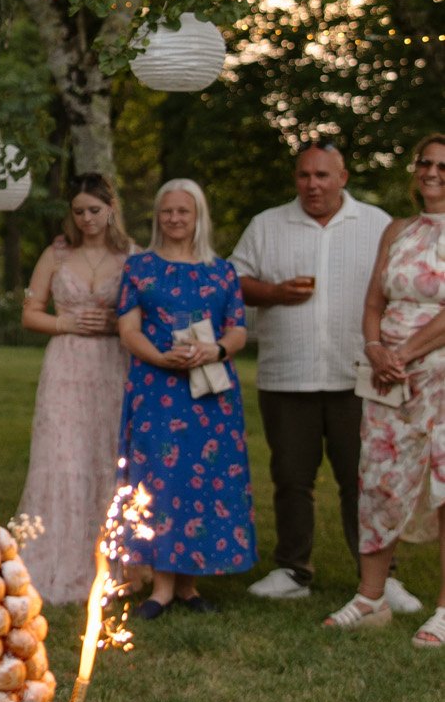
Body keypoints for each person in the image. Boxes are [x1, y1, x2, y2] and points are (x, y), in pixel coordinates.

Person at [232, 142, 417, 610]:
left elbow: (403, 290)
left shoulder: (378, 225)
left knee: (364, 481)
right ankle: (293, 568)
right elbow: (232, 282)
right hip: (286, 375)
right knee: (292, 477)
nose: (312, 185)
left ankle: (380, 577)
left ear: (343, 177)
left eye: (322, 176)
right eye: (303, 176)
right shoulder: (267, 225)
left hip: (358, 376)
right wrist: (272, 291)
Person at [324, 133, 445, 647]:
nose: (432, 172)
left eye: (443, 165)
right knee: (376, 479)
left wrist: (405, 352)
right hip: (386, 376)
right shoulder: (397, 230)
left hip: (438, 374)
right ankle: (371, 597)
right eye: (425, 162)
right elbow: (374, 299)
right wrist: (375, 348)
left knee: (444, 487)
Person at [117, 179, 257, 616]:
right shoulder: (139, 266)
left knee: (207, 480)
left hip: (211, 395)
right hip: (157, 390)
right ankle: (160, 586)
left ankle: (189, 585)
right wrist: (161, 358)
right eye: (167, 211)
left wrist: (214, 349)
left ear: (199, 217)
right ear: (157, 217)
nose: (175, 219)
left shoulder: (223, 271)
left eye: (184, 212)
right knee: (159, 481)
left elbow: (238, 329)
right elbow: (128, 329)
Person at [18, 174, 132, 603]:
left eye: (95, 210)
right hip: (65, 363)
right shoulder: (57, 252)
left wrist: (120, 323)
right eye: (79, 211)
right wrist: (65, 322)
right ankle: (56, 560)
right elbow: (31, 313)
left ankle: (112, 562)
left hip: (112, 364)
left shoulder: (131, 255)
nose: (86, 219)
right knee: (62, 456)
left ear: (111, 209)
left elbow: (145, 310)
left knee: (105, 454)